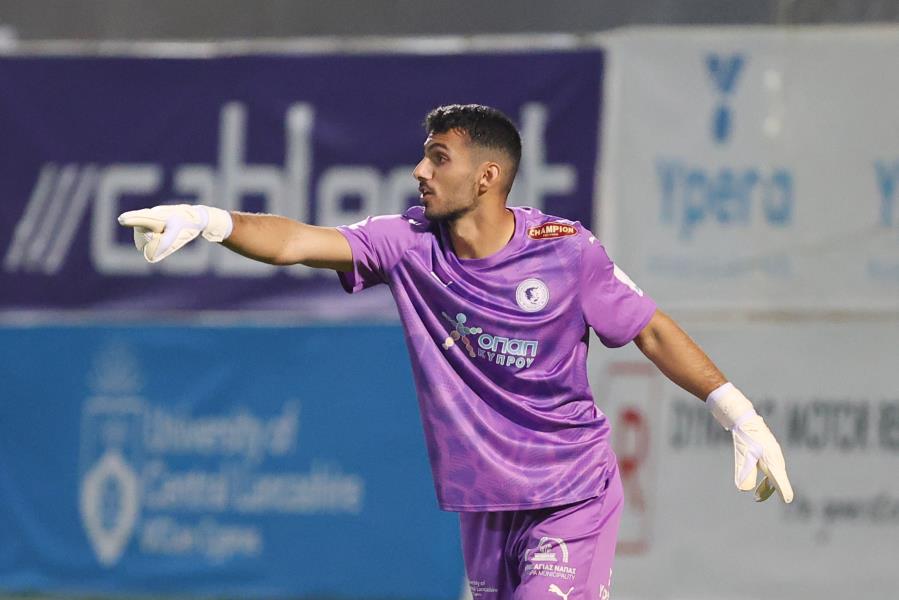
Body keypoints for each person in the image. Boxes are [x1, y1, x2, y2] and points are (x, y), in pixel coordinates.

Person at [118, 104, 793, 600]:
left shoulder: (566, 251)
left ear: (486, 176)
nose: (420, 170)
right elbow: (296, 242)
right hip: (484, 500)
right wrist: (209, 221)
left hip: (569, 494)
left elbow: (651, 329)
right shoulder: (406, 243)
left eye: (438, 157)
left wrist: (739, 415)